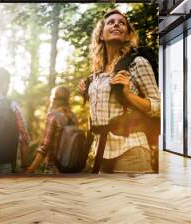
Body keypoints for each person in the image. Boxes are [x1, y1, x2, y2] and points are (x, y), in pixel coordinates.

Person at [78, 9, 160, 173]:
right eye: (111, 22)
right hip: (102, 153)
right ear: (101, 35)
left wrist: (128, 94)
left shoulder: (138, 63)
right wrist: (87, 92)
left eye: (122, 23)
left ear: (128, 35)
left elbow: (158, 107)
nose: (116, 24)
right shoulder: (96, 74)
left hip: (131, 149)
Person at [27, 86, 78, 174]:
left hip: (54, 166)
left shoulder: (53, 115)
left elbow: (45, 146)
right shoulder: (73, 116)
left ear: (54, 98)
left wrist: (32, 168)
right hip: (71, 166)